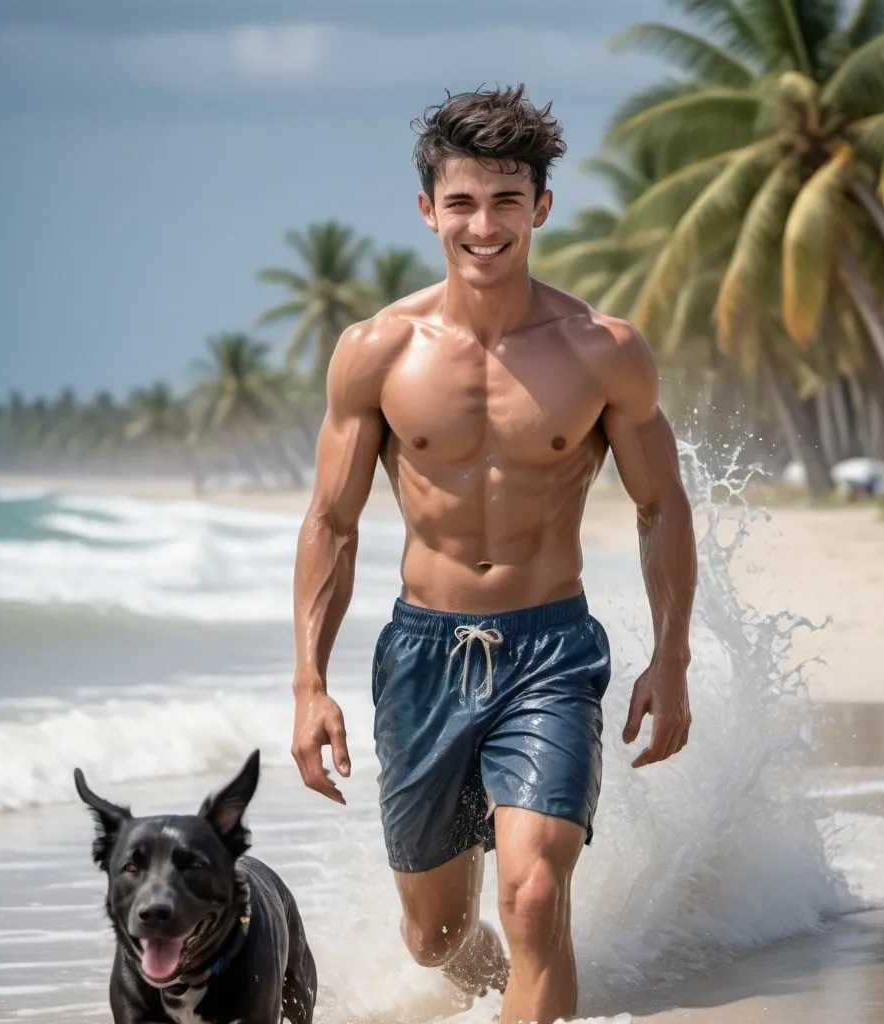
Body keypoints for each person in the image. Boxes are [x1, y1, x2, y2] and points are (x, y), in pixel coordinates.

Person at [290, 84, 697, 1024]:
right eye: (463, 202)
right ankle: (508, 992)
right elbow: (333, 522)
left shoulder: (602, 351)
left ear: (541, 208)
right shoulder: (376, 353)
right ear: (427, 208)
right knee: (434, 939)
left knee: (537, 897)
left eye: (507, 201)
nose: (485, 225)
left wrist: (669, 659)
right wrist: (309, 682)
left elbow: (659, 505)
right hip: (423, 657)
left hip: (550, 651)